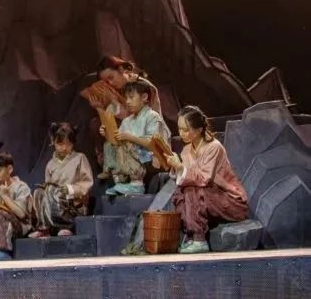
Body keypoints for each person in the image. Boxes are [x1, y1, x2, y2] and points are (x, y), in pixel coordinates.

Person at [167, 105, 249, 254]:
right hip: (210, 199)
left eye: (186, 130)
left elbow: (203, 179)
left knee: (193, 189)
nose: (181, 133)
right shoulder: (186, 150)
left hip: (230, 202)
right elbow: (185, 177)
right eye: (179, 129)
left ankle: (199, 240)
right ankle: (191, 236)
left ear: (199, 130)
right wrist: (175, 167)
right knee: (181, 192)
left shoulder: (213, 147)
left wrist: (179, 167)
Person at [83, 56, 162, 180]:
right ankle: (109, 165)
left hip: (147, 133)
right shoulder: (118, 88)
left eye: (111, 77)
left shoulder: (144, 87)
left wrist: (114, 102)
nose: (110, 83)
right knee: (96, 124)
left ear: (121, 70)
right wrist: (99, 107)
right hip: (127, 128)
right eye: (106, 81)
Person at [100, 79, 170, 196]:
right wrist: (108, 134)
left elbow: (153, 143)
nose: (127, 101)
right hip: (132, 156)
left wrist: (130, 138)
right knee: (110, 144)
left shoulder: (152, 116)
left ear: (144, 97)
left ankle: (137, 185)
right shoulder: (127, 120)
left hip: (150, 157)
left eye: (131, 97)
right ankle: (120, 181)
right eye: (126, 98)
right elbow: (118, 139)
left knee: (129, 143)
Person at [28, 123, 94, 238]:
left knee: (54, 192)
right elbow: (48, 185)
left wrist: (70, 189)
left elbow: (87, 182)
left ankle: (66, 226)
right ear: (53, 142)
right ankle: (44, 228)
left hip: (73, 203)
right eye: (60, 143)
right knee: (40, 192)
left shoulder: (79, 158)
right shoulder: (50, 164)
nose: (64, 148)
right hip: (54, 200)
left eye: (68, 144)